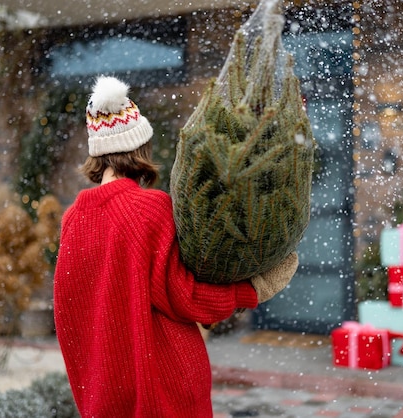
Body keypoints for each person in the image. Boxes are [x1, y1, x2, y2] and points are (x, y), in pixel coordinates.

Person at [53, 76, 298, 418]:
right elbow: (186, 297)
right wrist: (253, 290)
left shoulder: (72, 220)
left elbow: (69, 316)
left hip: (104, 395)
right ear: (140, 147)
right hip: (163, 388)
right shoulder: (149, 209)